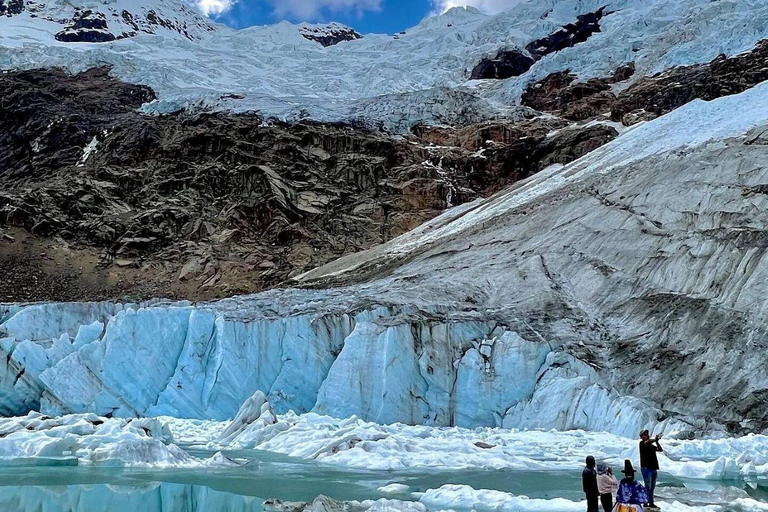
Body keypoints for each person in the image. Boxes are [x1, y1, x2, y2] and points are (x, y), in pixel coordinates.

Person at [638, 429, 663, 508]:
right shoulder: (642, 443)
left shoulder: (651, 446)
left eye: (647, 434)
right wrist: (655, 439)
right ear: (642, 437)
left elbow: (660, 449)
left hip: (653, 468)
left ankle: (651, 502)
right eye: (644, 435)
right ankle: (645, 502)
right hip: (646, 468)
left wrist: (657, 442)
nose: (646, 436)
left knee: (652, 487)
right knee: (647, 486)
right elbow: (647, 442)